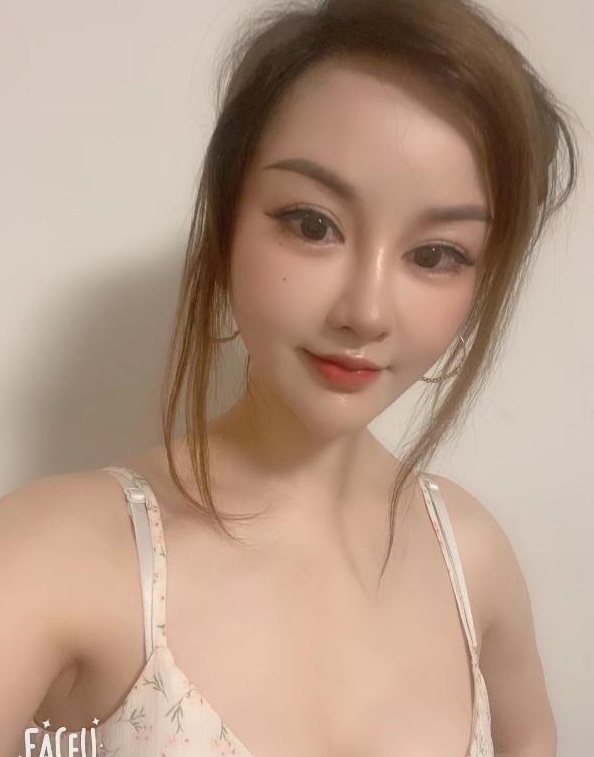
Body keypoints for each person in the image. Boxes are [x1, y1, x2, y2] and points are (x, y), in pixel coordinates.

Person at [0, 0, 579, 755]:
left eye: (436, 254)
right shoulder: (53, 556)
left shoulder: (472, 559)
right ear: (226, 223)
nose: (366, 311)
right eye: (313, 224)